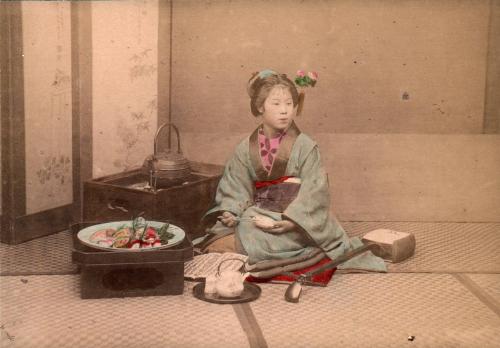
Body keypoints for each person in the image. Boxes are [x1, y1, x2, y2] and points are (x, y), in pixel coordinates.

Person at [199, 69, 386, 276]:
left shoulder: (305, 146)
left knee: (239, 242)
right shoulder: (245, 149)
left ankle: (264, 248)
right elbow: (236, 186)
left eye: (289, 104)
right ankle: (261, 247)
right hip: (256, 216)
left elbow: (315, 192)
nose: (284, 111)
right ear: (260, 106)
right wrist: (230, 212)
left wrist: (291, 222)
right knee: (219, 238)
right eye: (276, 103)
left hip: (296, 220)